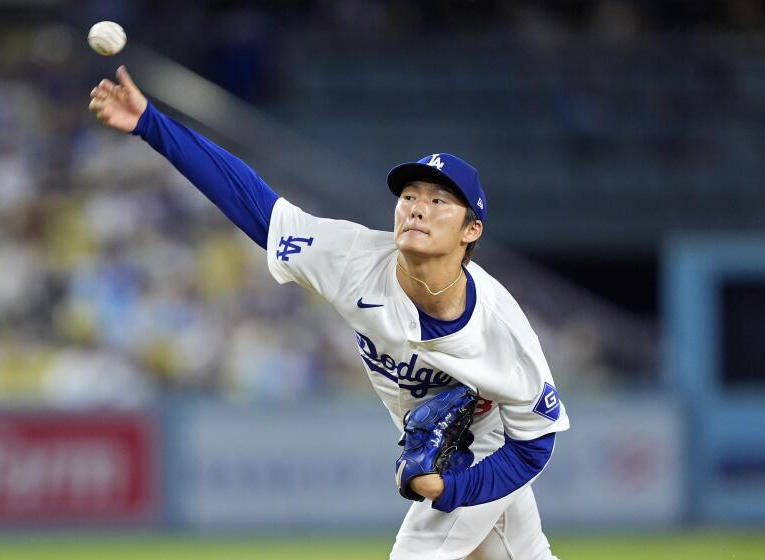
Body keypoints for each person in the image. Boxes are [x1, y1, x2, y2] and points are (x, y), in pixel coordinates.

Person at [89, 65, 569, 560]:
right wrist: (151, 123)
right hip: (443, 448)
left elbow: (534, 444)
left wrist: (450, 491)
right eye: (409, 196)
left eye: (439, 201)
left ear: (472, 230)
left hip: (485, 448)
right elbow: (255, 204)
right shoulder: (353, 259)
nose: (417, 208)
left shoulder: (501, 330)